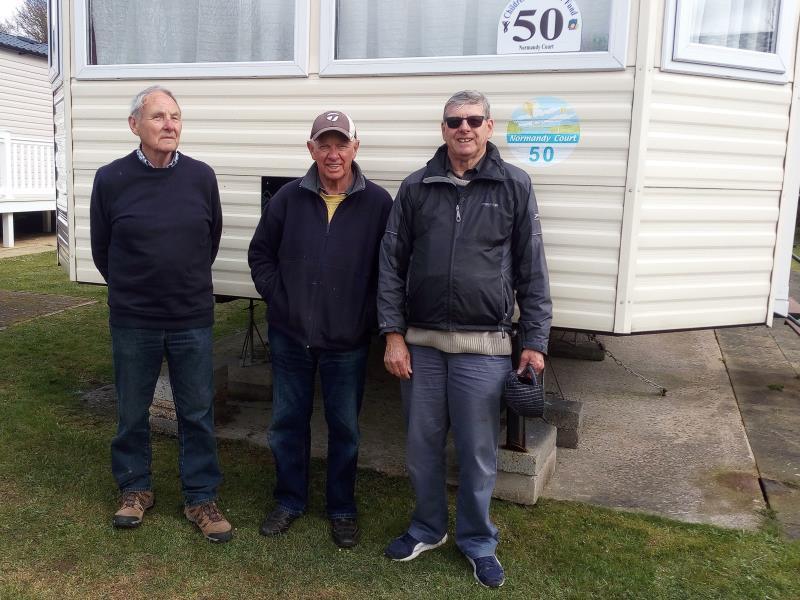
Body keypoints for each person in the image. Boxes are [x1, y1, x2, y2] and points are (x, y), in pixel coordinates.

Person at [378, 90, 552, 587]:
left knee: (478, 452)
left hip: (486, 347)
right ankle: (428, 527)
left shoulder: (514, 186)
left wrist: (534, 342)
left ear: (489, 127)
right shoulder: (416, 187)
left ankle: (477, 542)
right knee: (421, 446)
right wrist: (392, 335)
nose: (464, 128)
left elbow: (532, 271)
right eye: (455, 120)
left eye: (474, 120)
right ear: (443, 129)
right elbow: (390, 267)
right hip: (423, 346)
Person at [90, 85, 232, 543]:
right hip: (134, 319)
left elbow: (209, 239)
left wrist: (180, 281)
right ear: (135, 125)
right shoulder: (110, 179)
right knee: (132, 410)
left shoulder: (200, 176)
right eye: (158, 117)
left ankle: (200, 497)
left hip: (191, 316)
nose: (169, 125)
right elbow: (101, 249)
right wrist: (135, 289)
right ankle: (134, 489)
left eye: (174, 116)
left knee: (196, 411)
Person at [248, 110, 392, 548]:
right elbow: (261, 255)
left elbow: (390, 271)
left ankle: (341, 507)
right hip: (290, 336)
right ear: (310, 149)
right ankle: (289, 500)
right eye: (324, 144)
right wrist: (282, 298)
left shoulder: (379, 203)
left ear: (355, 147)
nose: (333, 153)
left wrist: (364, 316)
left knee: (344, 426)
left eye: (341, 144)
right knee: (287, 422)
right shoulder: (288, 198)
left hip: (346, 341)